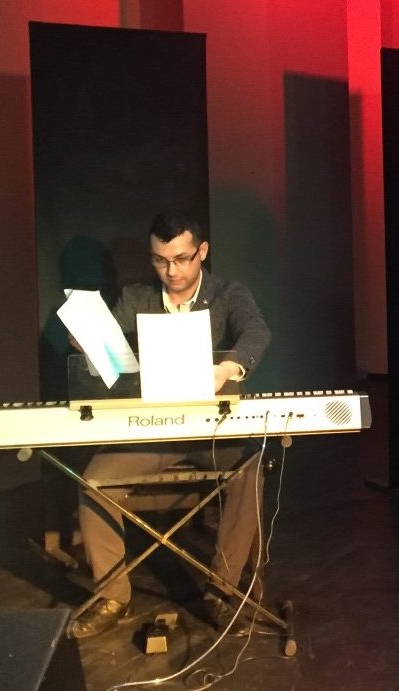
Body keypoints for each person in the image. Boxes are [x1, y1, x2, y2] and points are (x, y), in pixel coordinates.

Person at [70, 211, 272, 639]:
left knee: (249, 469)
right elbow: (108, 347)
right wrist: (89, 341)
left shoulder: (228, 294)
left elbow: (257, 333)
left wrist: (228, 368)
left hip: (211, 431)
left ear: (202, 252)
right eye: (160, 260)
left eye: (181, 259)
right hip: (152, 430)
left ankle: (222, 590)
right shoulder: (136, 297)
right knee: (93, 483)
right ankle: (113, 596)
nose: (172, 271)